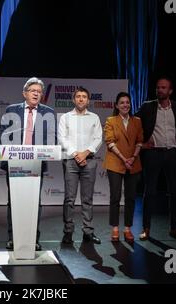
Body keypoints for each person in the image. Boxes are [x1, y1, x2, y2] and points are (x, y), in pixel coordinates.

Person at [0, 77, 57, 251]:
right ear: (24, 93)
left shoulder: (48, 112)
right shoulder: (12, 110)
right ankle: (13, 238)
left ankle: (33, 239)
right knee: (14, 201)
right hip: (14, 163)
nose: (36, 94)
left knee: (34, 202)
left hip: (36, 164)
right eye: (33, 91)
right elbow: (3, 135)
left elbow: (52, 137)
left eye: (39, 92)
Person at [135, 77, 176, 242]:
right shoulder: (147, 106)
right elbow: (134, 125)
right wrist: (142, 144)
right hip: (153, 153)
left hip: (172, 153)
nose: (160, 90)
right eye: (158, 87)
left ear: (170, 91)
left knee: (175, 192)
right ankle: (146, 228)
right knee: (149, 192)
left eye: (163, 88)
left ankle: (174, 228)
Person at [58, 86, 103, 245]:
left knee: (87, 199)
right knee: (69, 199)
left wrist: (85, 153)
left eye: (84, 96)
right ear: (73, 99)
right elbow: (62, 138)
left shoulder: (94, 117)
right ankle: (68, 232)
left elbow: (98, 139)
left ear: (88, 100)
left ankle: (88, 232)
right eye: (78, 96)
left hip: (89, 161)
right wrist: (76, 154)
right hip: (71, 161)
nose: (81, 99)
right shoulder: (65, 117)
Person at [103, 92, 143, 243]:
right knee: (115, 197)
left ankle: (127, 229)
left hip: (133, 163)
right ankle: (114, 228)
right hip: (115, 162)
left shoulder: (137, 121)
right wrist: (124, 158)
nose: (125, 105)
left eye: (127, 102)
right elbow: (110, 142)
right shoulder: (111, 120)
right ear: (116, 106)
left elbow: (140, 140)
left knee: (131, 197)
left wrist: (132, 158)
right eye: (122, 103)